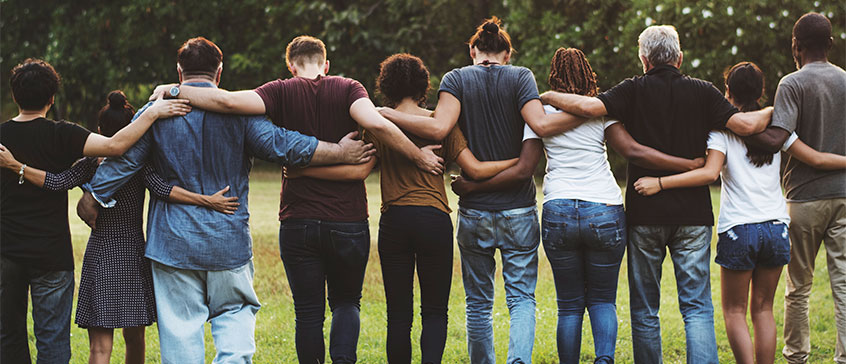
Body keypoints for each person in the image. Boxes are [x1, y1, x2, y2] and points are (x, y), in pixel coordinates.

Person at [148, 35, 442, 364]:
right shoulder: (349, 88)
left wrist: (174, 90)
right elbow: (376, 122)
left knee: (308, 313)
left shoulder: (279, 90)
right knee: (347, 303)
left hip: (297, 221)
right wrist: (419, 157)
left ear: (290, 65)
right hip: (348, 221)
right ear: (326, 64)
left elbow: (229, 103)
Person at [79, 37, 373, 363]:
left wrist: (94, 195)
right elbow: (284, 145)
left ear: (179, 73)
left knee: (180, 332)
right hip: (228, 240)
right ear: (219, 73)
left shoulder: (157, 111)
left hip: (173, 244)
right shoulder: (240, 115)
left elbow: (125, 160)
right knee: (234, 320)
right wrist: (340, 151)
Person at [540, 25, 773, 364]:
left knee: (645, 308)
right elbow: (746, 127)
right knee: (697, 307)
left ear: (643, 59)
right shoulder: (705, 92)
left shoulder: (631, 89)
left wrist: (545, 96)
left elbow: (590, 109)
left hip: (645, 212)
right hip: (693, 216)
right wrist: (778, 108)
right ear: (679, 57)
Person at [379, 17, 589, 364]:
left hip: (473, 209)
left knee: (478, 302)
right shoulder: (521, 76)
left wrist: (386, 113)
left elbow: (440, 127)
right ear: (507, 54)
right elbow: (540, 125)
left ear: (472, 51)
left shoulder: (456, 79)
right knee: (521, 299)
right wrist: (591, 111)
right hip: (518, 209)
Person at [286, 53, 517, 364]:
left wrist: (303, 170)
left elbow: (356, 172)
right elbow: (473, 170)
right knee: (435, 310)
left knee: (399, 313)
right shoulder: (440, 122)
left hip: (395, 222)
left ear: (386, 86)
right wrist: (519, 162)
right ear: (423, 85)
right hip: (435, 220)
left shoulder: (379, 126)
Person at [0, 90, 238, 364]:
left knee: (99, 350)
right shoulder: (139, 166)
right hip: (133, 256)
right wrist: (207, 200)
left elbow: (55, 182)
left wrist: (17, 166)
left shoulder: (88, 165)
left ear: (100, 131)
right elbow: (165, 190)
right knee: (135, 340)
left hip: (100, 255)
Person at [633, 62, 845, 364]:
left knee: (734, 311)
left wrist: (660, 183)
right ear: (761, 91)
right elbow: (817, 159)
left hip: (739, 230)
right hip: (776, 228)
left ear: (727, 92)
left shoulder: (721, 132)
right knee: (763, 310)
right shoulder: (778, 130)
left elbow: (709, 174)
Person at [512, 47, 706, 364]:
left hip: (559, 207)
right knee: (603, 300)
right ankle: (604, 359)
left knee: (570, 304)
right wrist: (686, 164)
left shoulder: (540, 115)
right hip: (604, 207)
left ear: (553, 77)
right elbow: (633, 151)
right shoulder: (603, 110)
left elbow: (528, 162)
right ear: (589, 74)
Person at [742, 12, 846, 364]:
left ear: (795, 46)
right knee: (843, 284)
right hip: (845, 195)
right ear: (831, 43)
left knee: (798, 286)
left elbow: (778, 137)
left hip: (803, 197)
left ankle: (796, 355)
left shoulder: (791, 84)